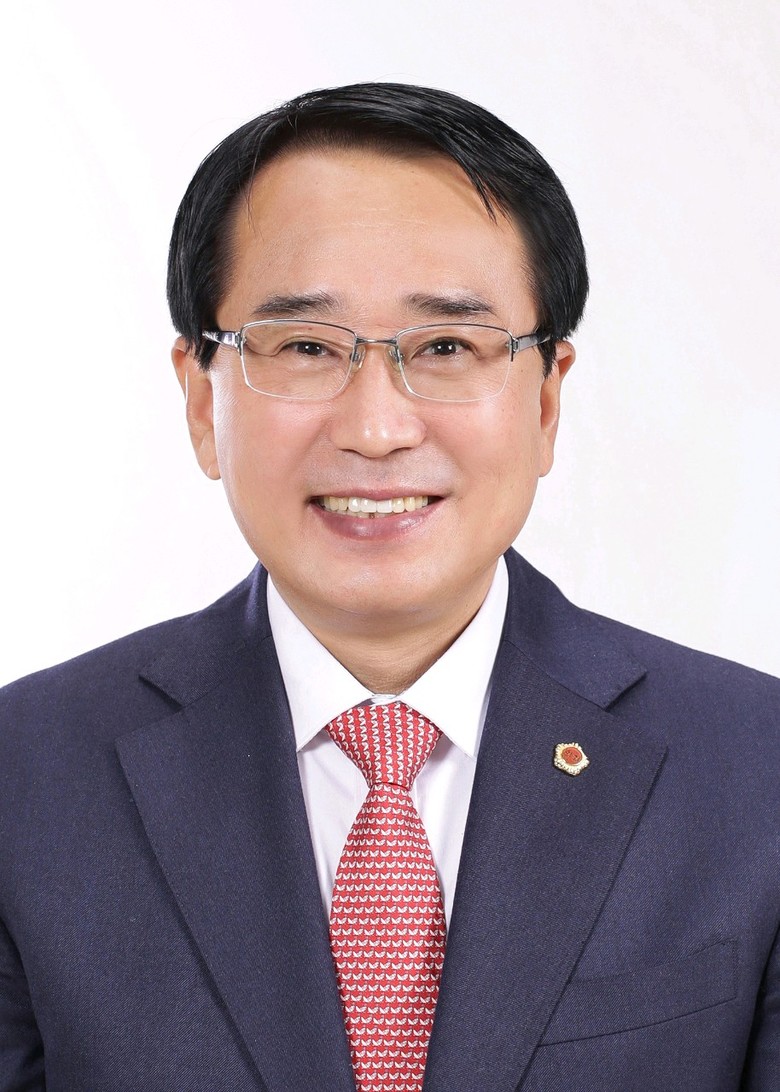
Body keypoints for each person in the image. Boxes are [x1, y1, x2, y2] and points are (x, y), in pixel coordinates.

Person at [0, 82, 777, 1092]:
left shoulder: (754, 771)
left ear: (547, 400)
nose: (376, 429)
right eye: (306, 347)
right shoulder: (26, 780)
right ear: (200, 399)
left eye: (447, 348)